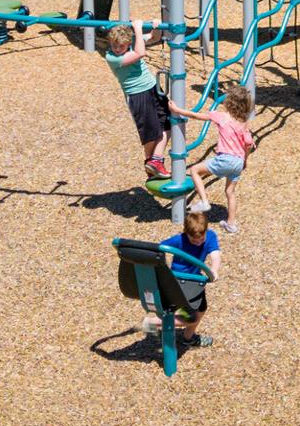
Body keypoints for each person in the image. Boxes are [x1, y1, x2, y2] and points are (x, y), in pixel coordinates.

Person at [167, 84, 256, 235]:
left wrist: (177, 110)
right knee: (230, 191)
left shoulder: (221, 116)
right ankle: (231, 224)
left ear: (228, 102)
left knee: (195, 170)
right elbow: (248, 144)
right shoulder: (243, 123)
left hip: (225, 159)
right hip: (238, 162)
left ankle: (204, 201)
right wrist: (245, 160)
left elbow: (196, 116)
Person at [140, 210, 220, 348]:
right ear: (185, 233)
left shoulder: (211, 236)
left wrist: (214, 269)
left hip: (196, 282)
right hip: (179, 281)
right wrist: (161, 268)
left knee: (201, 310)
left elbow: (215, 254)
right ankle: (152, 323)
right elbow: (159, 249)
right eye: (194, 240)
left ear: (206, 230)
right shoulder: (179, 240)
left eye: (201, 239)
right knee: (191, 317)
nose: (198, 243)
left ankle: (188, 337)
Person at [103, 20, 170, 178]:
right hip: (137, 94)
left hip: (153, 88)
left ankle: (155, 161)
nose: (117, 49)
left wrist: (156, 26)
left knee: (169, 123)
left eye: (121, 46)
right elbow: (141, 53)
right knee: (151, 131)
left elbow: (154, 37)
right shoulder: (111, 57)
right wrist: (138, 29)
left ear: (128, 43)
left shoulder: (134, 43)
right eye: (114, 45)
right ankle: (150, 162)